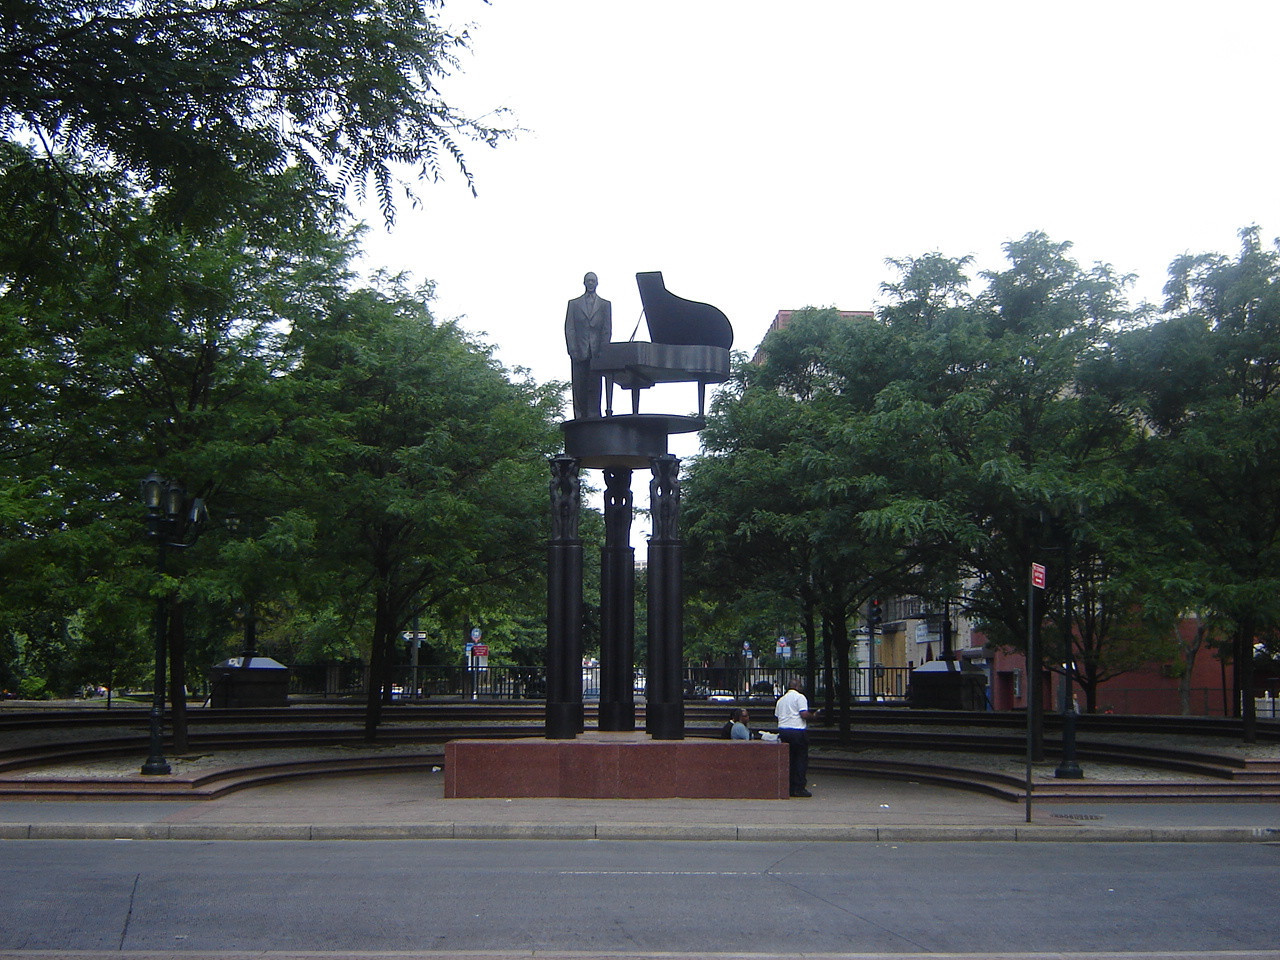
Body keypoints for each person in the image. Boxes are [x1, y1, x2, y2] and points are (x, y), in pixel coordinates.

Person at [564, 271, 612, 419]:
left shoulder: (605, 304)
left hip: (596, 351)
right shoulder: (574, 304)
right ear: (584, 283)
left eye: (593, 281)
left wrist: (603, 350)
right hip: (579, 350)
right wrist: (573, 350)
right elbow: (569, 328)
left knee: (595, 385)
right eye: (588, 281)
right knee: (579, 386)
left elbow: (607, 329)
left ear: (597, 283)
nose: (590, 283)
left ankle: (594, 415)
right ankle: (579, 415)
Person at [775, 678, 815, 797]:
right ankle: (799, 787)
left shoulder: (781, 700)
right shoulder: (800, 697)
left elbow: (777, 715)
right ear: (797, 686)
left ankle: (789, 787)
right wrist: (813, 716)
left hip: (783, 730)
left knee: (789, 759)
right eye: (800, 685)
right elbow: (803, 714)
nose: (802, 687)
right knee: (800, 759)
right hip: (797, 731)